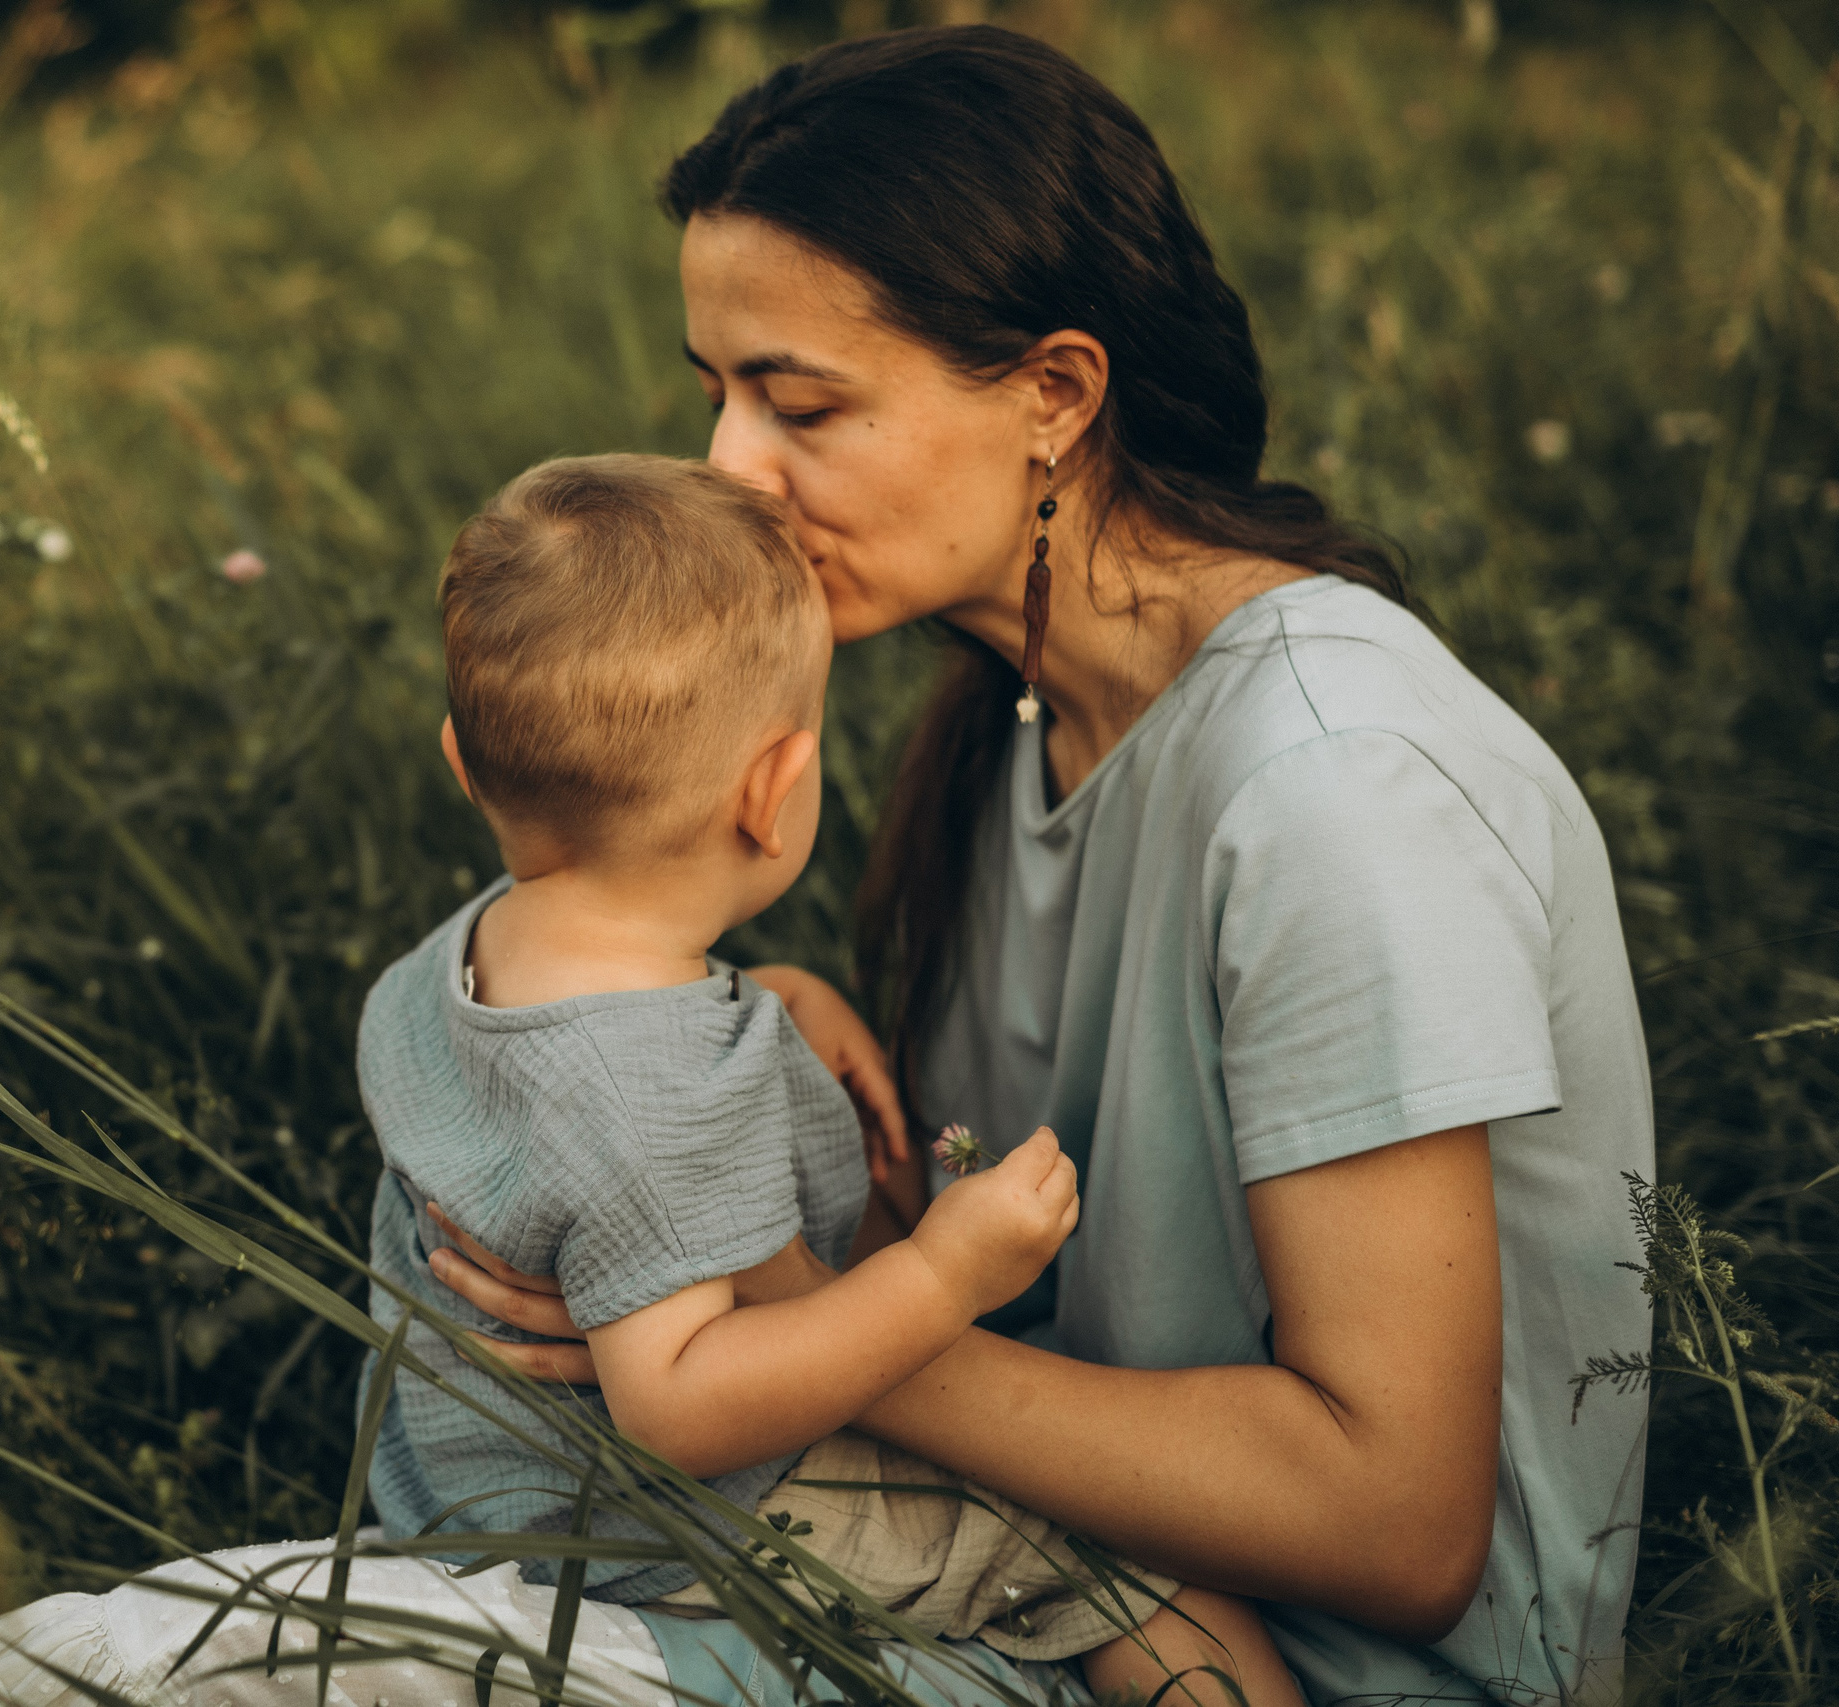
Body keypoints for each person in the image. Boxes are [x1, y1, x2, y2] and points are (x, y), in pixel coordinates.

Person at [423, 23, 1654, 1707]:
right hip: (1009, 1588)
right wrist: (746, 1037)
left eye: (801, 403)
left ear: (1056, 398)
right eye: (716, 397)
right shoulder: (1021, 712)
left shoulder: (1334, 791)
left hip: (1282, 1671)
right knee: (247, 1640)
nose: (730, 476)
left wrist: (806, 1332)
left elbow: (1396, 1517)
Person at [353, 451, 1300, 1705]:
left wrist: (774, 999)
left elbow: (582, 1093)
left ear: (463, 764)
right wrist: (940, 1275)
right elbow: (680, 1410)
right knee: (1142, 1569)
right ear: (775, 792)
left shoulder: (455, 963)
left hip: (464, 1470)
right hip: (655, 1522)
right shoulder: (661, 1095)